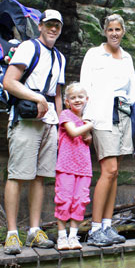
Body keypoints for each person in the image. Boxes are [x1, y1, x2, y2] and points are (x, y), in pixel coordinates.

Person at [2, 9, 66, 254]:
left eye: (57, 26)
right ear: (40, 26)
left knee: (40, 176)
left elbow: (58, 95)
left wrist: (61, 125)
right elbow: (10, 81)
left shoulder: (60, 57)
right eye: (49, 24)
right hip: (27, 118)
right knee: (18, 174)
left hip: (49, 121)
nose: (53, 29)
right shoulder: (29, 48)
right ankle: (11, 234)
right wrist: (36, 97)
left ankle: (34, 231)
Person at [80, 13, 135, 247]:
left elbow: (133, 90)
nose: (114, 33)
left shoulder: (127, 58)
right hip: (101, 116)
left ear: (123, 32)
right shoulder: (94, 54)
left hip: (123, 116)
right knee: (109, 169)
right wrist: (85, 121)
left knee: (115, 172)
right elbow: (84, 86)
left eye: (118, 29)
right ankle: (94, 229)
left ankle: (107, 225)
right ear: (105, 31)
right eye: (110, 29)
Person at [55, 82, 93, 250]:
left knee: (80, 201)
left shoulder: (85, 119)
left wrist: (88, 130)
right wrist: (91, 124)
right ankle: (62, 237)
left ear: (86, 99)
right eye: (73, 97)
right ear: (67, 101)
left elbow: (87, 139)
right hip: (65, 166)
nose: (77, 100)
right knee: (64, 199)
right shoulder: (65, 115)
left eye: (80, 97)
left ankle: (73, 236)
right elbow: (73, 132)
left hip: (84, 167)